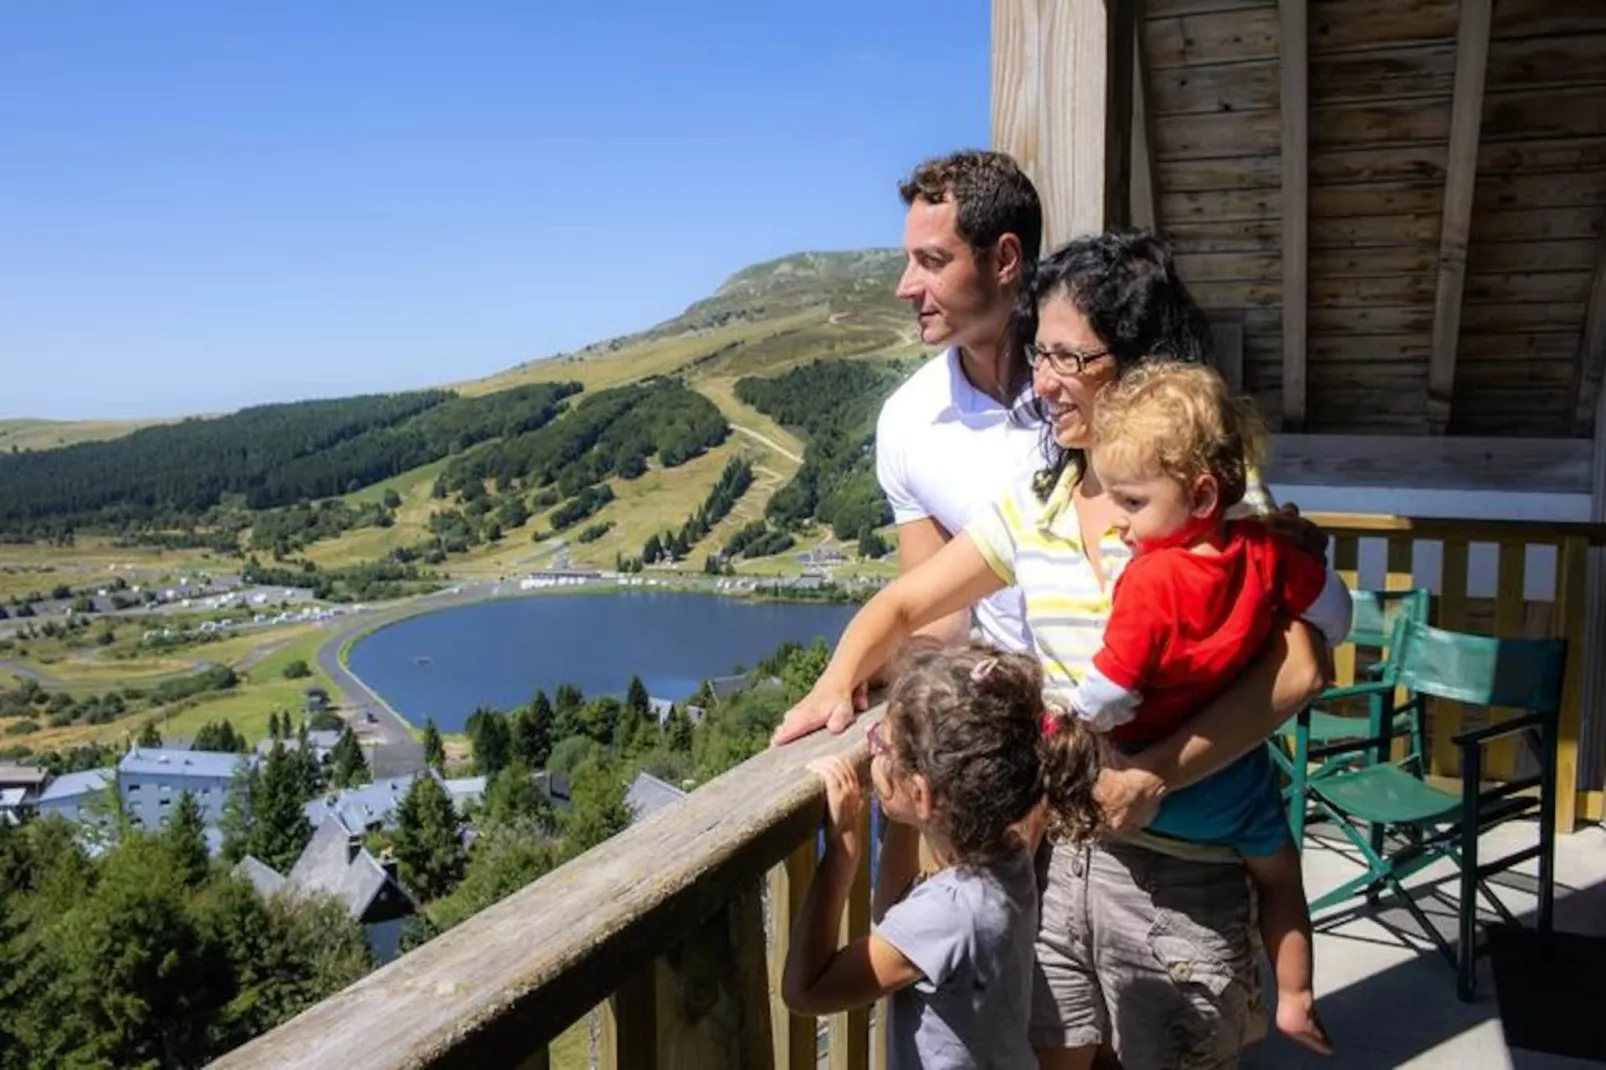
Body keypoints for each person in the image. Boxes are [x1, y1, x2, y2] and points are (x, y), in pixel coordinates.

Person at [774, 231, 1332, 1070]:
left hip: (1187, 866)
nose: (1041, 382)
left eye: (1069, 358)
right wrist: (837, 681)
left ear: (1138, 364)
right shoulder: (1039, 502)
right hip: (1061, 855)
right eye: (1039, 353)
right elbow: (905, 601)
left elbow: (1302, 667)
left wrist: (1155, 774)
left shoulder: (1214, 503)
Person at [1043, 359, 1351, 1054]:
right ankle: (1295, 998)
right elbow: (1334, 614)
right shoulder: (1266, 552)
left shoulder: (1151, 579)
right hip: (1235, 789)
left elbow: (1112, 689)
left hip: (1152, 797)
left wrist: (1071, 718)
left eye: (1131, 502)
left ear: (1202, 493)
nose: (1119, 522)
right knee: (1281, 878)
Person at [781, 642, 1100, 1069]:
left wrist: (842, 853)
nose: (871, 748)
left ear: (920, 792)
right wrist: (905, 815)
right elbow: (895, 913)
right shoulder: (1010, 857)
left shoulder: (948, 913)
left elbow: (806, 991)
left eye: (880, 743)